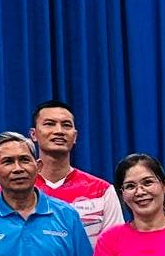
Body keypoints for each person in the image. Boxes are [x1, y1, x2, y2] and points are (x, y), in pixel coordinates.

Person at [28, 100, 125, 240]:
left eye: (66, 125)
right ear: (33, 134)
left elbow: (115, 246)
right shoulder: (13, 189)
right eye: (49, 124)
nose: (59, 131)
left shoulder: (102, 191)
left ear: (75, 136)